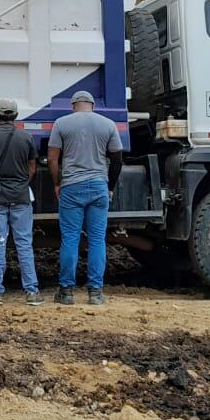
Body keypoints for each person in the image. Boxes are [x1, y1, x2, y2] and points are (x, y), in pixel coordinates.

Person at [47, 89, 123, 306]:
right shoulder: (108, 124)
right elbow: (117, 160)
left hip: (71, 186)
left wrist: (57, 183)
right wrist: (110, 187)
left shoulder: (61, 123)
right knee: (97, 239)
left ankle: (66, 292)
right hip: (99, 186)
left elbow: (52, 159)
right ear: (92, 105)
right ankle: (96, 293)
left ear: (73, 106)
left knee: (70, 239)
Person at [0, 98, 42, 306]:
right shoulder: (26, 137)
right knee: (24, 243)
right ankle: (32, 292)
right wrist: (21, 183)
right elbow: (32, 168)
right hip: (21, 196)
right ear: (15, 116)